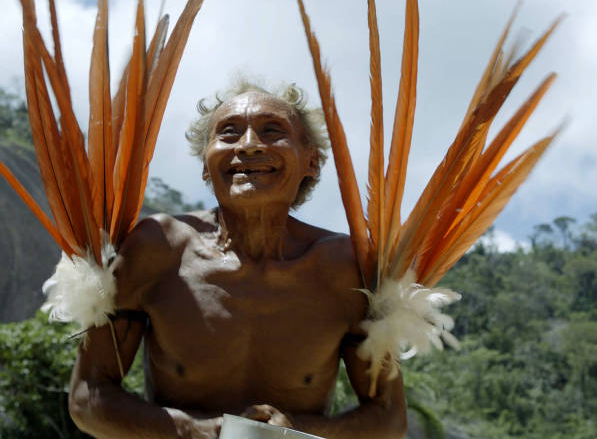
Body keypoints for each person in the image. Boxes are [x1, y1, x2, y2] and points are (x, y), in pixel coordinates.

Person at [68, 82, 407, 438]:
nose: (248, 145)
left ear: (312, 161)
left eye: (272, 131)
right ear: (205, 163)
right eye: (228, 133)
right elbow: (87, 398)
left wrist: (295, 432)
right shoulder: (157, 249)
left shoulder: (348, 269)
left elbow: (388, 418)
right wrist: (199, 431)